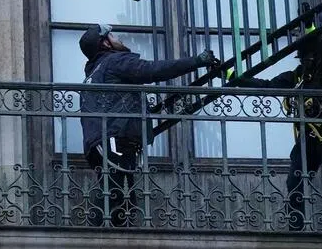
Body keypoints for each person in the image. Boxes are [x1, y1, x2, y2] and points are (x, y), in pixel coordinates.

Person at [229, 24, 322, 233]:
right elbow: (267, 86)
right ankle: (295, 229)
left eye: (309, 56)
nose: (305, 61)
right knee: (294, 181)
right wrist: (234, 77)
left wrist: (311, 29)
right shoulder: (298, 77)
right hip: (308, 137)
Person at [79, 23, 218, 226]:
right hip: (115, 138)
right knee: (115, 195)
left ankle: (112, 236)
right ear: (105, 44)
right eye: (113, 36)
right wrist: (197, 61)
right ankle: (96, 237)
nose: (118, 39)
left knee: (121, 197)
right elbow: (153, 70)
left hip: (101, 142)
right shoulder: (114, 61)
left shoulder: (93, 74)